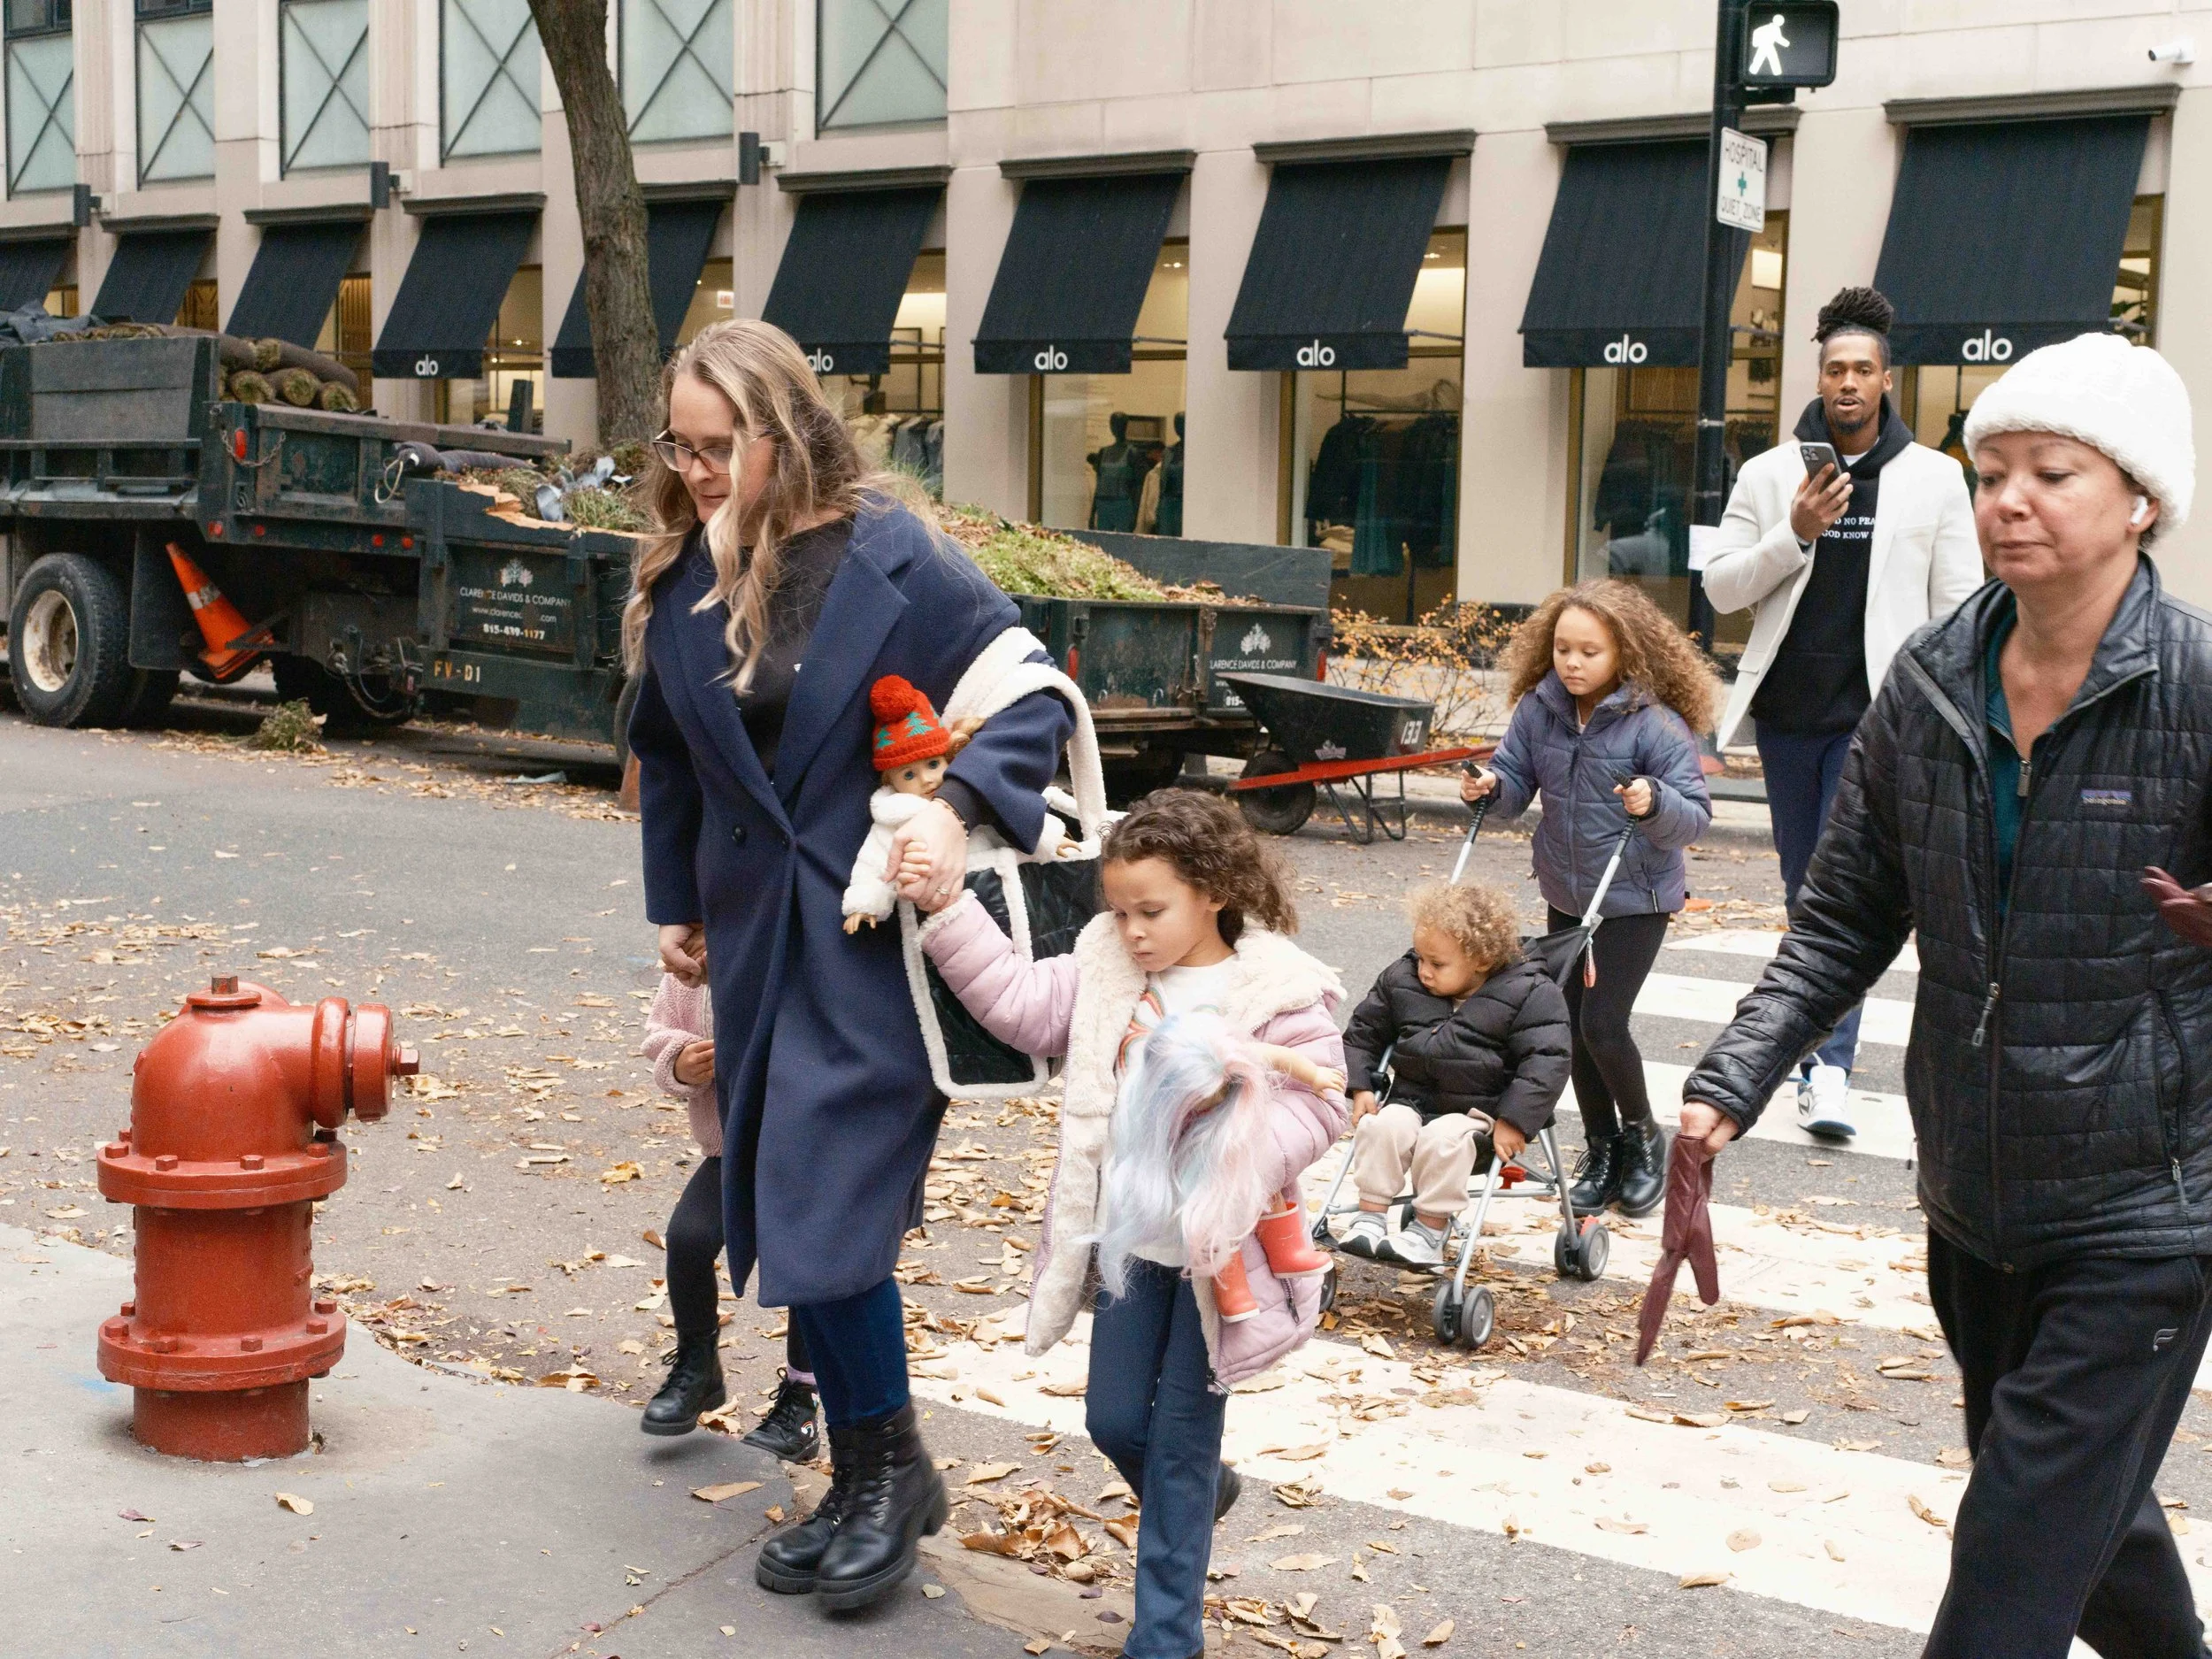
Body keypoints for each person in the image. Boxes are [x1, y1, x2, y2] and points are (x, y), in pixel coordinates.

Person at [1680, 332, 2212, 1659]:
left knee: (2012, 1561)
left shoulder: (2200, 689)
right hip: (1975, 1195)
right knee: (2080, 1520)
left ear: (2140, 500)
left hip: (2151, 1202)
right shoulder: (1926, 684)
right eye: (1992, 471)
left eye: (2052, 473)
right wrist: (1726, 1082)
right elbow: (1845, 917)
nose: (2009, 499)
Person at [625, 319, 1076, 1613]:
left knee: (823, 1206)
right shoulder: (682, 578)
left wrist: (957, 804)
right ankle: (875, 1473)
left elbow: (1033, 694)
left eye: (721, 447)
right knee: (777, 1205)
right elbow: (671, 759)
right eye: (681, 444)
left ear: (785, 431)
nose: (697, 470)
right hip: (757, 945)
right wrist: (676, 906)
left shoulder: (897, 556)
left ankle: (887, 1471)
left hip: (882, 946)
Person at [915, 790, 1346, 1659]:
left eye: (1151, 910)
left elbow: (1318, 1107)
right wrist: (947, 905)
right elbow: (1020, 1005)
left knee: (1180, 1442)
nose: (1133, 929)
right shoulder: (1109, 964)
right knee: (1115, 1421)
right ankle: (1195, 1492)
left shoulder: (1278, 989)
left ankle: (1165, 1637)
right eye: (1119, 911)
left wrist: (1238, 1138)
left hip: (1215, 1257)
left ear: (1215, 889)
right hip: (1127, 1244)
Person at [1702, 286, 1981, 1139]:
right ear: (1817, 378)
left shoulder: (1934, 479)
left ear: (1887, 379)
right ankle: (1819, 1051)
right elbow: (1718, 587)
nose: (1849, 383)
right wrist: (1793, 533)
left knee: (1841, 893)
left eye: (1863, 369)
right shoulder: (1769, 472)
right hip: (1790, 717)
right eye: (1835, 369)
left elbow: (1959, 605)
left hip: (1879, 722)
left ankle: (1829, 1067)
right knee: (1802, 887)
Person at [1461, 580, 1715, 1218]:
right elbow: (1516, 778)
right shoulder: (1538, 709)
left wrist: (1654, 801)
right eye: (1563, 649)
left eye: (1589, 652)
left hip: (1637, 896)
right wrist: (1491, 786)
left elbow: (1694, 815)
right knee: (1567, 1030)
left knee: (1603, 1023)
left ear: (1624, 653)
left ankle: (1643, 1139)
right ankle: (1600, 1150)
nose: (1572, 663)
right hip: (1568, 890)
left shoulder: (1654, 722)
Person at [1336, 881, 1573, 1267]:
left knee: (1442, 1138)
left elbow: (1547, 1061)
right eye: (1420, 958)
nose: (1424, 971)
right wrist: (1361, 1083)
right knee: (1381, 1127)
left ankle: (1429, 1230)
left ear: (1480, 959)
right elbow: (1363, 1033)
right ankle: (1370, 1218)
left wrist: (1514, 1120)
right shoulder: (1404, 978)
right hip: (1410, 1101)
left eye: (1437, 963)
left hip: (1479, 1117)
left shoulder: (1531, 992)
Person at [637, 969, 819, 1459]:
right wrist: (681, 1062)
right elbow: (659, 1031)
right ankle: (699, 1368)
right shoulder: (694, 962)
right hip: (730, 1151)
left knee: (803, 1270)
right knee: (690, 1240)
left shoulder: (792, 947)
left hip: (809, 1151)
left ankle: (801, 1404)